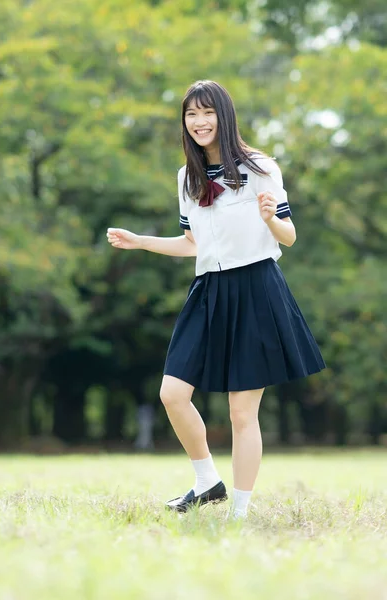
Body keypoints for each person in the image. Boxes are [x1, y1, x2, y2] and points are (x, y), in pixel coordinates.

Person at [107, 80, 326, 520]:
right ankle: (207, 482)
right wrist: (141, 241)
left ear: (223, 116)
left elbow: (289, 235)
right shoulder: (186, 177)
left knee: (241, 413)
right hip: (208, 290)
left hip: (256, 289)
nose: (200, 122)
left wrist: (270, 218)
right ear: (184, 122)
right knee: (172, 393)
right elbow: (193, 243)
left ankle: (239, 513)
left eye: (207, 113)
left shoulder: (261, 167)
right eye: (191, 114)